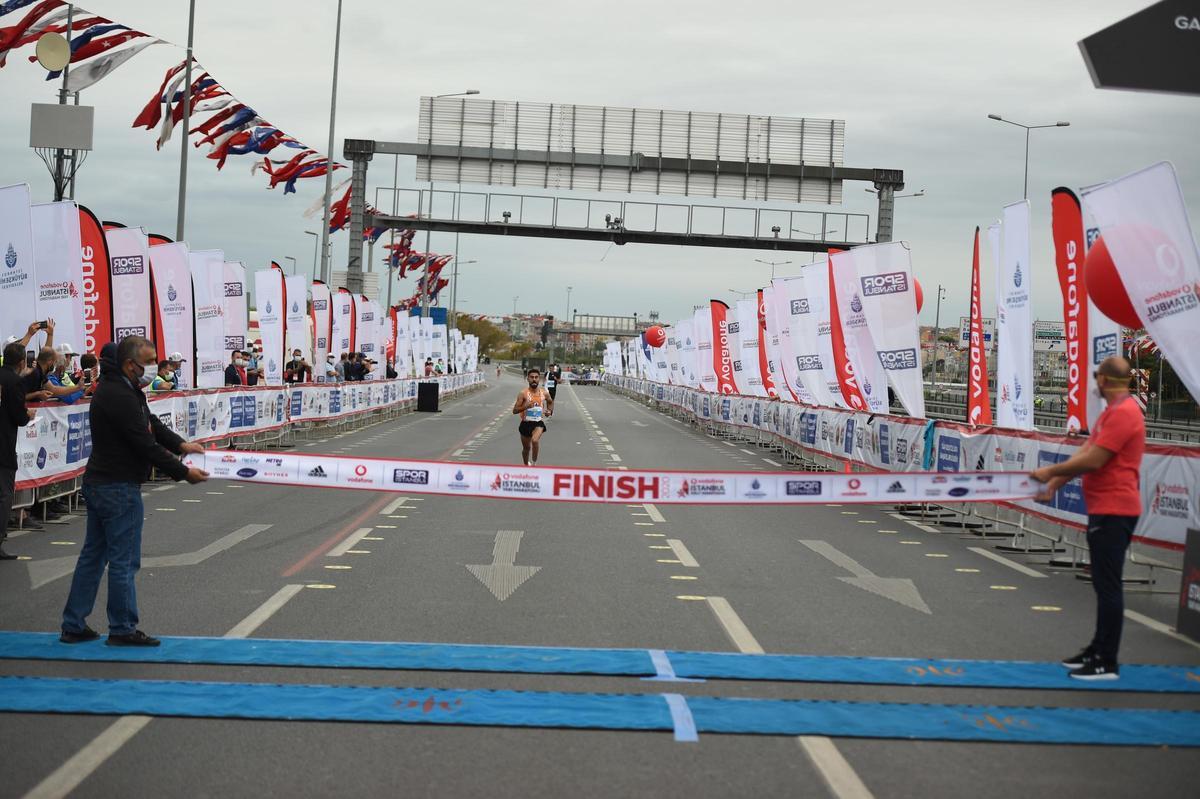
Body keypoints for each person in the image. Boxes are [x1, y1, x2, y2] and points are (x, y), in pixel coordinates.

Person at [59, 337, 208, 647]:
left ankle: (74, 624)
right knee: (124, 560)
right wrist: (183, 472)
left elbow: (152, 424)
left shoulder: (125, 391)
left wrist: (181, 445)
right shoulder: (119, 396)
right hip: (117, 486)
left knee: (93, 556)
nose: (152, 367)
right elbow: (144, 443)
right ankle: (122, 627)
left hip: (102, 482)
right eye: (148, 361)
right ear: (129, 363)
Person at [1031, 356, 1145, 681]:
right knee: (1101, 582)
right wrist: (1054, 483)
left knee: (1108, 585)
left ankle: (1106, 661)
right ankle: (1097, 648)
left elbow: (1095, 460)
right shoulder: (1112, 413)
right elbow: (1085, 452)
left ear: (1105, 380)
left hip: (1116, 508)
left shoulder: (1124, 413)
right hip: (1105, 507)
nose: (1095, 382)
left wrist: (1050, 471)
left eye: (1096, 376)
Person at [1, 341, 37, 560]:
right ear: (22, 361)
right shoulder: (15, 382)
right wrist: (28, 415)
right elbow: (19, 416)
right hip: (4, 444)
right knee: (4, 495)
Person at [512, 367, 553, 466]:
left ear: (539, 379)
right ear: (528, 379)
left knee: (535, 440)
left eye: (536, 377)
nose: (534, 379)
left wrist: (549, 411)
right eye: (532, 377)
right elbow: (515, 410)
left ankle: (534, 464)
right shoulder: (523, 393)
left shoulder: (544, 392)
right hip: (525, 423)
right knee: (526, 449)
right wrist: (525, 406)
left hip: (538, 423)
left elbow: (550, 402)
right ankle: (526, 465)